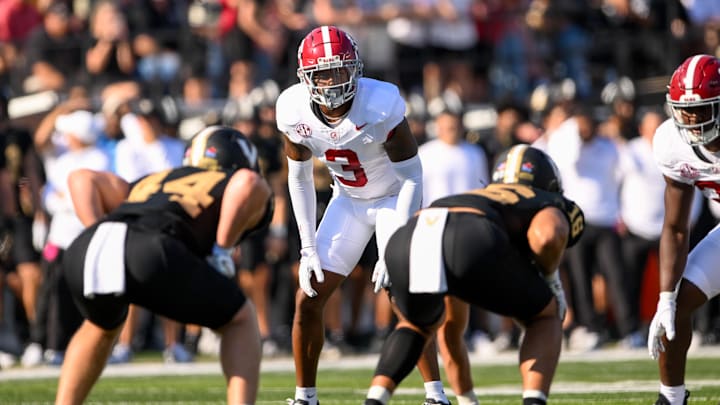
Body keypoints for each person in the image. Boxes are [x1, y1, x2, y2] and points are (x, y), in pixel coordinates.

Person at [276, 26, 451, 405]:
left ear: (355, 69)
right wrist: (307, 246)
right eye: (323, 72)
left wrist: (396, 245)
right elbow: (299, 178)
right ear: (306, 77)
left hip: (393, 198)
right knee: (308, 295)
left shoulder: (380, 103)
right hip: (348, 202)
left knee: (405, 295)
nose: (332, 80)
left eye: (340, 70)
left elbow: (412, 178)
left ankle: (435, 395)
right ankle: (305, 397)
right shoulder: (292, 110)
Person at [54, 126, 272, 405]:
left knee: (99, 326)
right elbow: (248, 183)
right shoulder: (233, 177)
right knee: (239, 319)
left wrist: (97, 228)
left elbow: (81, 179)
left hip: (86, 248)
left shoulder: (155, 180)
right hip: (152, 248)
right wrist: (222, 250)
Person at [363, 144, 585, 405]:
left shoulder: (476, 195)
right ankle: (534, 402)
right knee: (545, 315)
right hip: (471, 237)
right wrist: (549, 281)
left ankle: (375, 399)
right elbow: (548, 235)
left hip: (412, 233)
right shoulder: (546, 199)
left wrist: (467, 399)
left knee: (417, 325)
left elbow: (451, 330)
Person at [647, 54, 720, 405]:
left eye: (703, 109)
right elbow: (676, 227)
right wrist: (666, 298)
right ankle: (671, 398)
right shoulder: (671, 142)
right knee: (678, 306)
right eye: (685, 110)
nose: (691, 119)